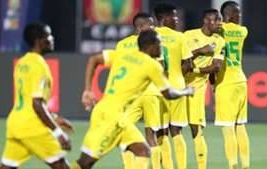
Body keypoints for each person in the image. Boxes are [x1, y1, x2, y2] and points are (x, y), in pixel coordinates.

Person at [72, 30, 194, 169]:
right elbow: (168, 94)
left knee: (143, 152)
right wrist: (186, 91)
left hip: (113, 114)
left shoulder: (124, 54)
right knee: (86, 162)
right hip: (112, 118)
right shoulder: (151, 65)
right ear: (150, 46)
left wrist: (88, 90)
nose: (161, 47)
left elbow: (94, 59)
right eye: (159, 43)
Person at [0, 22, 71, 169]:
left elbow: (27, 99)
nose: (52, 39)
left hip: (15, 124)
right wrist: (57, 132)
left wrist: (55, 118)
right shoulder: (40, 66)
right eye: (48, 36)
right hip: (32, 126)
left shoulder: (22, 63)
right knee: (61, 166)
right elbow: (36, 103)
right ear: (39, 41)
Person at [116, 12, 163, 169]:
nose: (154, 27)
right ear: (141, 26)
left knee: (125, 134)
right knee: (152, 135)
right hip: (152, 92)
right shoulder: (154, 43)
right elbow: (161, 68)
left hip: (132, 95)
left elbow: (118, 71)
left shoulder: (122, 45)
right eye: (151, 24)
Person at [182, 9, 225, 169]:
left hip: (197, 89)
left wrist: (195, 70)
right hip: (178, 86)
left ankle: (202, 166)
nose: (220, 23)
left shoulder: (219, 40)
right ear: (207, 21)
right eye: (217, 20)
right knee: (170, 130)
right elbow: (181, 61)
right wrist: (199, 51)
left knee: (196, 129)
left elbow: (216, 67)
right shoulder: (187, 35)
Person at [153, 3, 191, 169]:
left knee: (160, 132)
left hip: (157, 89)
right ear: (163, 18)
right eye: (174, 16)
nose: (177, 20)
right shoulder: (180, 36)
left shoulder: (149, 35)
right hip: (177, 86)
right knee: (176, 131)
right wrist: (177, 73)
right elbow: (188, 65)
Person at [214, 1, 250, 169]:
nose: (240, 16)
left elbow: (213, 29)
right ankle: (246, 165)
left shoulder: (220, 31)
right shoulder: (243, 31)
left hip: (225, 83)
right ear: (228, 15)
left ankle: (233, 165)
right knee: (240, 125)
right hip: (241, 81)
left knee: (228, 128)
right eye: (237, 13)